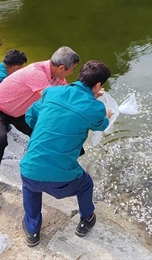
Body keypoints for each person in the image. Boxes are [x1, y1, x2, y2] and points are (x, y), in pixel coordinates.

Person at [20, 61, 112, 246]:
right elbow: (101, 124)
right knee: (86, 184)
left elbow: (30, 117)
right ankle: (86, 219)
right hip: (62, 182)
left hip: (29, 172)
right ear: (97, 86)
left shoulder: (52, 92)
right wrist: (105, 114)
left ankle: (32, 231)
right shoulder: (95, 108)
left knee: (31, 187)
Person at [0, 46, 80, 212]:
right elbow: (54, 101)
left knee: (48, 136)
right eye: (72, 70)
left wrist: (91, 101)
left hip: (19, 112)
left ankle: (55, 172)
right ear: (62, 68)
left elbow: (67, 95)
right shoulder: (36, 72)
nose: (71, 73)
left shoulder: (57, 78)